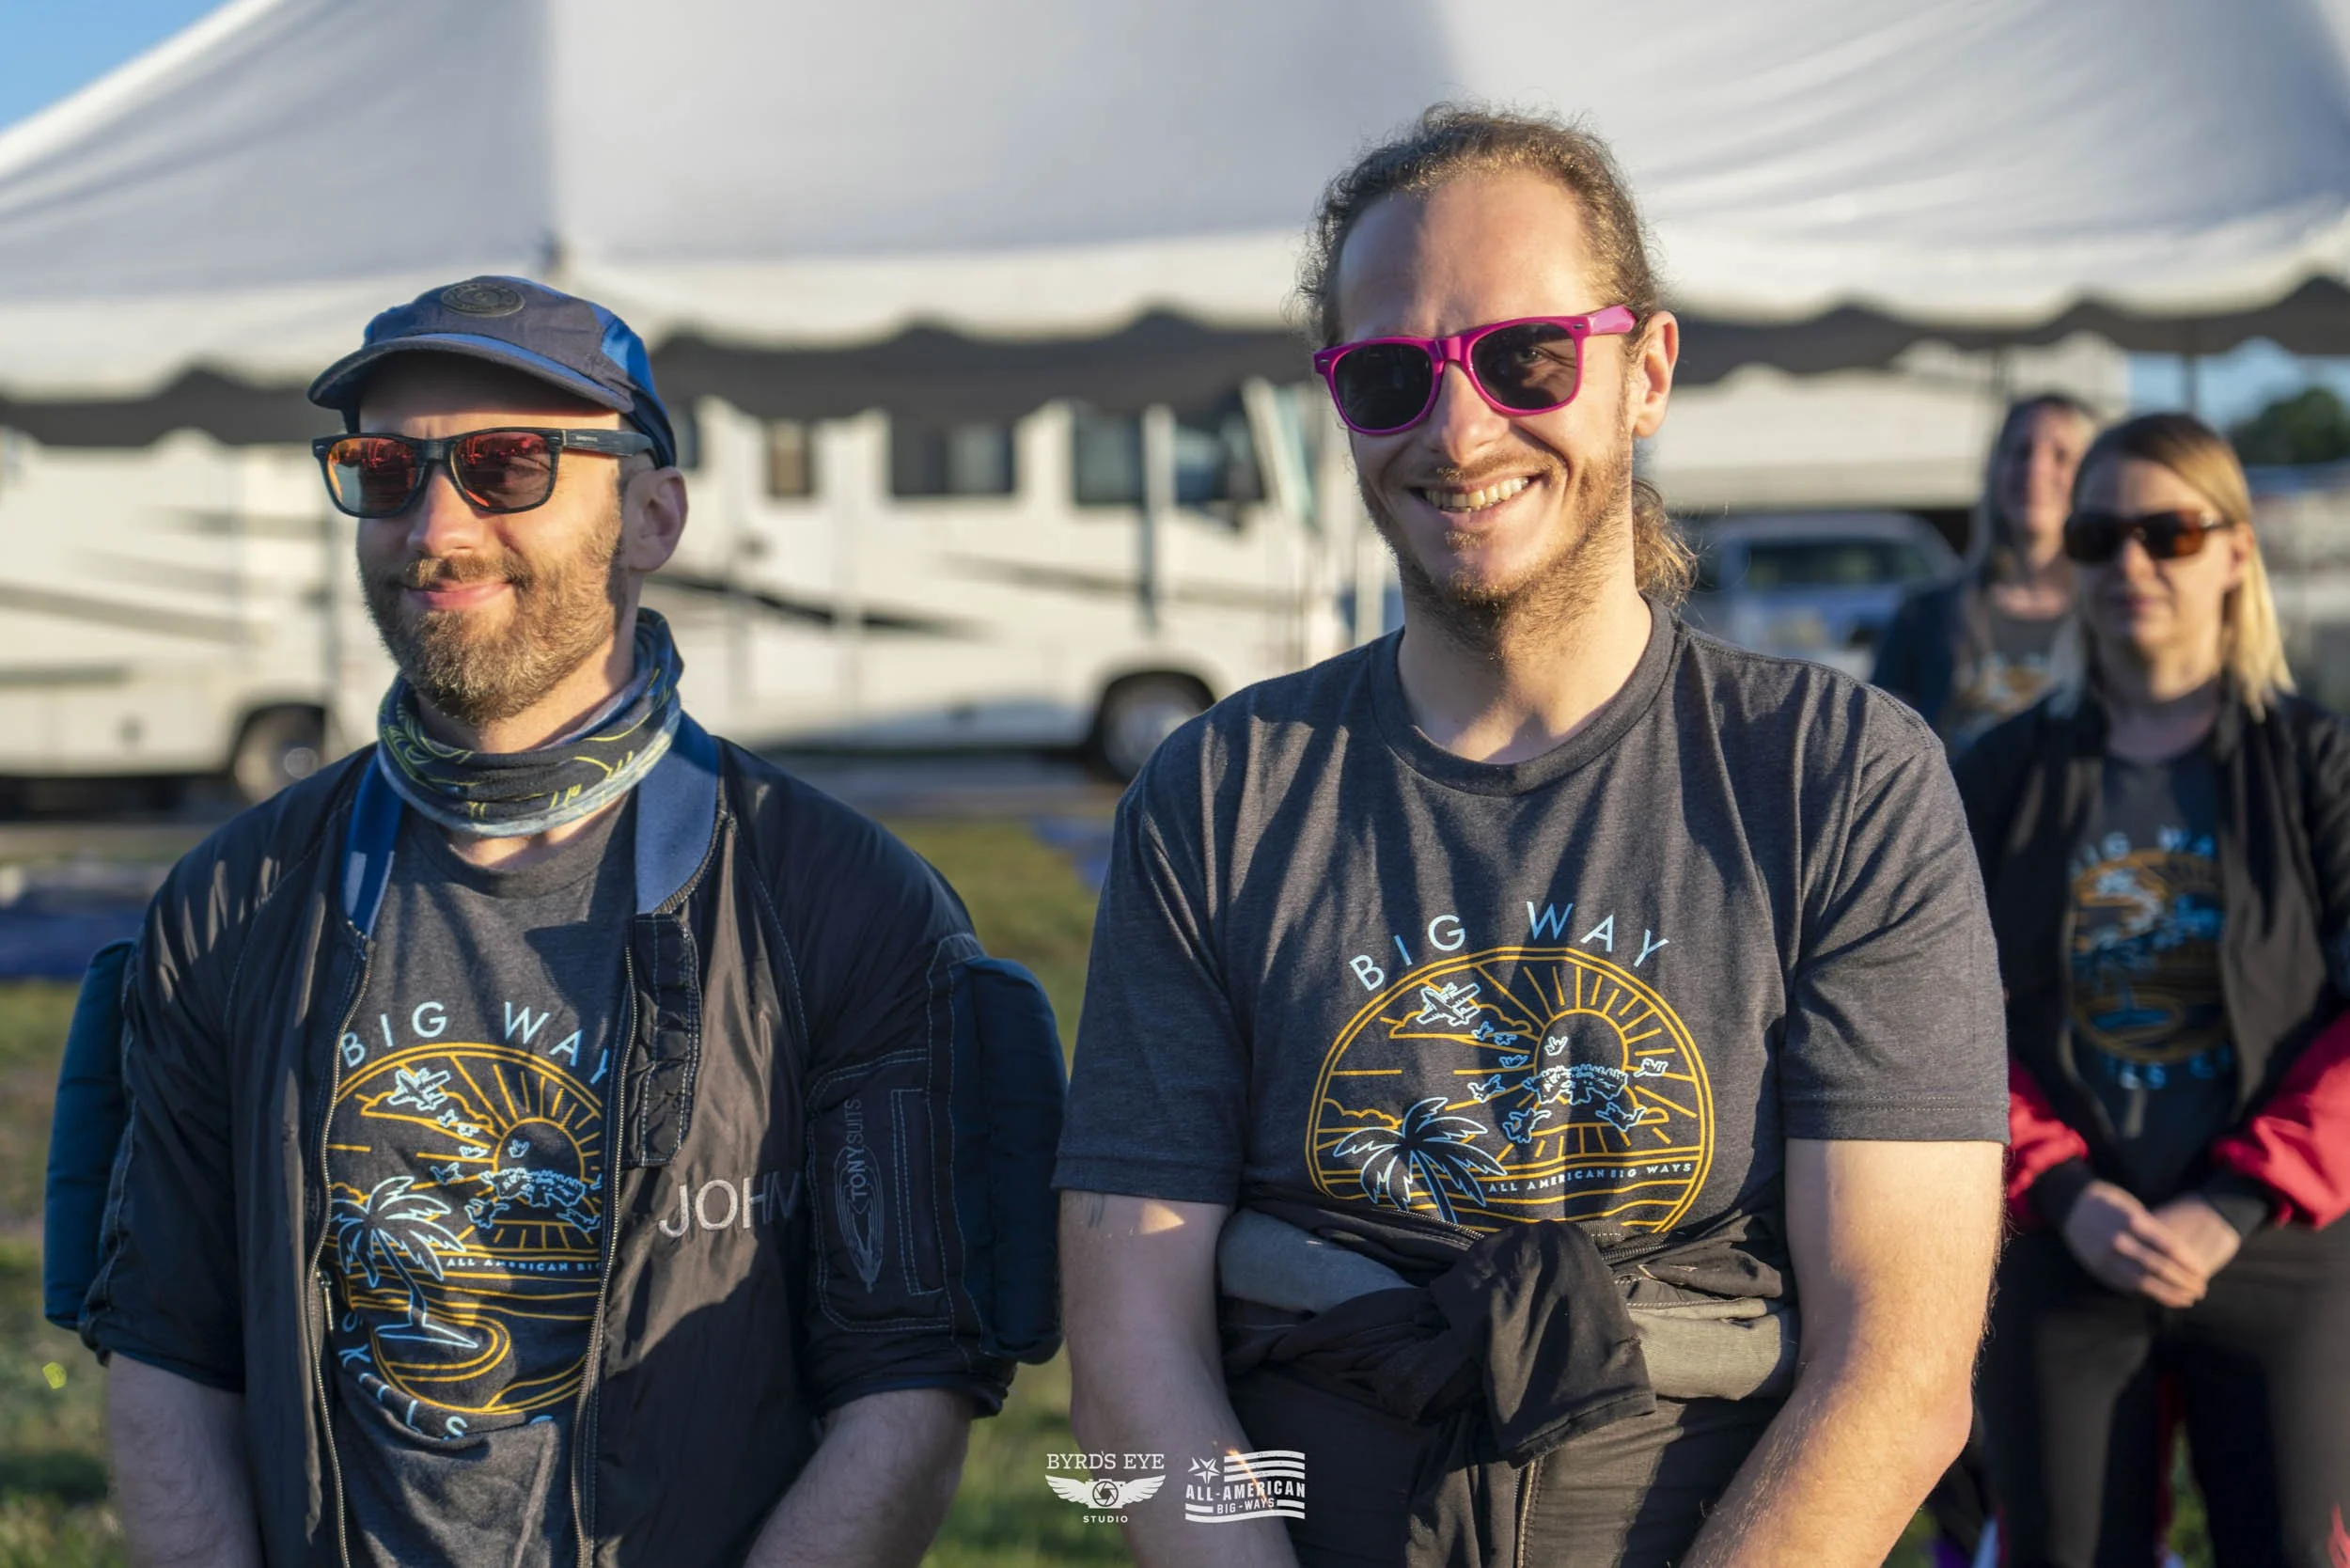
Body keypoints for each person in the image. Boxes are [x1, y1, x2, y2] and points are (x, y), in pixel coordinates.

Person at [1054, 107, 2010, 1568]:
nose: (1458, 429)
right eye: (1392, 376)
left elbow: (1900, 1367)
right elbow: (1130, 1362)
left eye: (1527, 358)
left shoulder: (1836, 777)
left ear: (1647, 373)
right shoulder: (1218, 795)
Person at [79, 277, 1061, 1567]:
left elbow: (908, 1388)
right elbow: (164, 1346)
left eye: (508, 466)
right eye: (386, 470)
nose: (437, 526)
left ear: (653, 518)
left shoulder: (845, 905)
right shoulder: (230, 903)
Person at [1958, 412, 2350, 1568]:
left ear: (2235, 551)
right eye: (2097, 536)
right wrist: (2063, 1188)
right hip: (2062, 1242)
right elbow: (1940, 1018)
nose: (2129, 563)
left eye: (2168, 533)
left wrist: (2234, 1203)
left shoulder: (2315, 766)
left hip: (2276, 1244)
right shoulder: (2002, 773)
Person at [1874, 393, 2098, 750]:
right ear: (1995, 469)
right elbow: (1881, 749)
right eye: (2021, 452)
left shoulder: (2109, 615)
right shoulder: (1925, 615)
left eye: (2061, 456)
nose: (2036, 470)